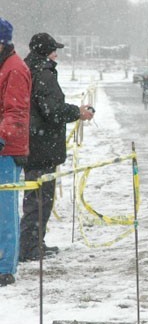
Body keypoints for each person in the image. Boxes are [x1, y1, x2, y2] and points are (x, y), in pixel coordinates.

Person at [19, 33, 95, 262]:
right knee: (40, 199)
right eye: (54, 50)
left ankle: (33, 244)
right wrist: (78, 112)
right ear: (45, 52)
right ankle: (31, 248)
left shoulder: (30, 68)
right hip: (42, 147)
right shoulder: (43, 73)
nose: (57, 54)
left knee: (36, 197)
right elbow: (52, 110)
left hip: (34, 144)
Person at [0, 18, 32, 286]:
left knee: (5, 210)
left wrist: (0, 138)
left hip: (6, 152)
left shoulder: (15, 69)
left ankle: (5, 268)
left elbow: (16, 114)